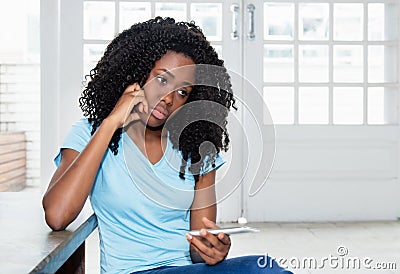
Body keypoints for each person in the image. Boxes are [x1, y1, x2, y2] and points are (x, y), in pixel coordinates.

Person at [42, 17, 292, 274]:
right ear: (135, 74)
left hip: (183, 270)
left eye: (183, 92)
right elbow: (57, 216)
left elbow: (197, 246)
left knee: (264, 267)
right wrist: (111, 123)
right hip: (132, 271)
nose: (169, 98)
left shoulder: (197, 150)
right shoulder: (89, 134)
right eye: (161, 80)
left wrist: (211, 249)